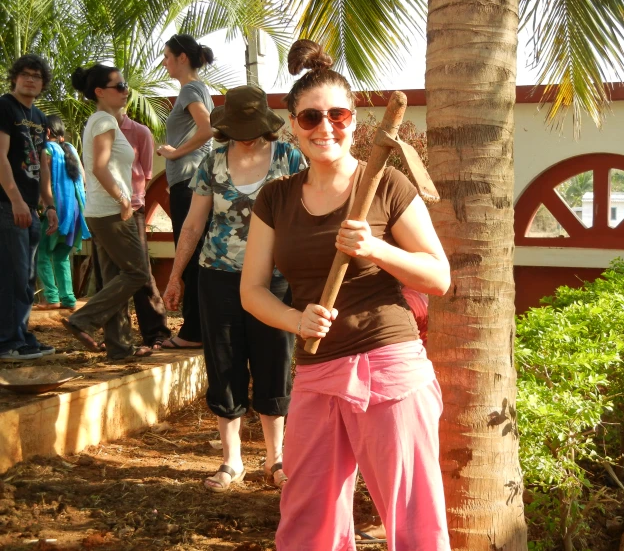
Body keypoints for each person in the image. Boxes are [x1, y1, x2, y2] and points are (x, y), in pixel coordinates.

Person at [240, 40, 452, 551]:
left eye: (338, 114)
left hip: (389, 366)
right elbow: (251, 290)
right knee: (307, 519)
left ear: (355, 121)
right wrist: (295, 320)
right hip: (316, 371)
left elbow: (437, 275)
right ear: (293, 124)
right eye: (311, 118)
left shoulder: (386, 185)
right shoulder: (276, 197)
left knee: (413, 518)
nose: (325, 127)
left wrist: (375, 247)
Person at [163, 85, 305, 492]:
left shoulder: (289, 159)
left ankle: (275, 458)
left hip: (274, 280)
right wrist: (175, 276)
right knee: (224, 363)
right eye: (238, 127)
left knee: (273, 360)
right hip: (218, 278)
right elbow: (192, 225)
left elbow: (302, 219)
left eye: (252, 126)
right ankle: (232, 460)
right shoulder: (211, 163)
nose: (246, 134)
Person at [61, 64, 152, 360]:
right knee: (137, 272)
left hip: (104, 211)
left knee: (117, 277)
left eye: (125, 85)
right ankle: (83, 319)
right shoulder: (103, 121)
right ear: (100, 92)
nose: (126, 90)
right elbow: (99, 167)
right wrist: (124, 200)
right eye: (119, 86)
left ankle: (120, 347)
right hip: (111, 212)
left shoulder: (102, 120)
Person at [157, 33, 214, 350]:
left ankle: (193, 333)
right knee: (195, 255)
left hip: (189, 183)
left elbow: (208, 129)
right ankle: (199, 329)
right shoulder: (196, 88)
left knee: (188, 254)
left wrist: (176, 152)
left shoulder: (191, 88)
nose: (164, 61)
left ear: (181, 57)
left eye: (167, 55)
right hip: (194, 183)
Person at [0, 54, 58, 361]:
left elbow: (43, 164)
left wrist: (48, 204)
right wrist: (15, 199)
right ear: (15, 77)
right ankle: (7, 341)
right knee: (12, 274)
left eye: (36, 76)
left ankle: (20, 335)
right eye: (25, 74)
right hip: (8, 205)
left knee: (26, 276)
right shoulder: (4, 106)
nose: (31, 79)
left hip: (30, 208)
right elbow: (0, 157)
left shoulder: (39, 116)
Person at [117, 112, 171, 349]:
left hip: (132, 206)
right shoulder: (96, 127)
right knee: (109, 273)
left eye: (123, 89)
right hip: (101, 210)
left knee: (141, 271)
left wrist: (131, 200)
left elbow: (147, 172)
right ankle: (117, 337)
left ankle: (156, 332)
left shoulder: (140, 132)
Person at [35, 115, 90, 311]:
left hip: (55, 210)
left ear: (47, 131)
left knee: (42, 254)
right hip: (75, 211)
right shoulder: (71, 150)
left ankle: (51, 297)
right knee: (61, 256)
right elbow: (83, 179)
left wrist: (46, 207)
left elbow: (45, 182)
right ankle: (68, 299)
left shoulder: (46, 150)